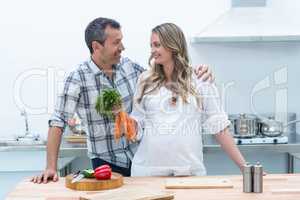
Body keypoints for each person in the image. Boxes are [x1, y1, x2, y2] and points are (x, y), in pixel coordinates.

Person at [31, 17, 214, 183]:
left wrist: (197, 72)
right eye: (116, 42)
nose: (122, 47)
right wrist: (51, 167)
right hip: (107, 164)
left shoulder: (130, 67)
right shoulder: (78, 78)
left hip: (139, 159)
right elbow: (58, 121)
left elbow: (164, 76)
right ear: (96, 46)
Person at [129, 23, 246, 176]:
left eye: (157, 45)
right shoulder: (145, 80)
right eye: (151, 45)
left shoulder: (200, 79)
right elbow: (136, 123)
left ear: (173, 45)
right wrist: (124, 122)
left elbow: (219, 126)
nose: (152, 51)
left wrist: (245, 167)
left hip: (188, 172)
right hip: (147, 172)